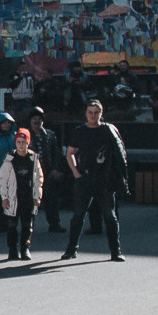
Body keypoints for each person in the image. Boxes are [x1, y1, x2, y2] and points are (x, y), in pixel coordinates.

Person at [62, 100, 127, 261]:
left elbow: (120, 153)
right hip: (85, 177)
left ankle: (116, 251)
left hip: (104, 179)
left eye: (96, 112)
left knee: (110, 216)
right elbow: (70, 153)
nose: (93, 115)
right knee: (78, 216)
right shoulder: (79, 131)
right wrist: (76, 172)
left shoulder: (108, 130)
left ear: (101, 113)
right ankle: (71, 250)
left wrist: (120, 178)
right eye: (90, 112)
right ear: (86, 113)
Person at [0, 126, 44, 260]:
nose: (21, 145)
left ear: (28, 142)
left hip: (28, 197)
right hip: (13, 197)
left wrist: (37, 196)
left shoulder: (33, 159)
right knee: (12, 225)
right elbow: (3, 179)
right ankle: (12, 249)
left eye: (24, 142)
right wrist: (4, 197)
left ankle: (25, 249)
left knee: (27, 225)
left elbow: (39, 179)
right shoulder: (9, 159)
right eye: (19, 142)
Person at [28, 109, 66, 232]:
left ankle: (54, 224)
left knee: (51, 200)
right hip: (31, 173)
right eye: (34, 118)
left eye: (39, 118)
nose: (36, 121)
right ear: (30, 121)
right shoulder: (25, 135)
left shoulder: (50, 135)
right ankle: (28, 226)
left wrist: (55, 169)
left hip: (47, 172)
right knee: (31, 201)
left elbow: (56, 153)